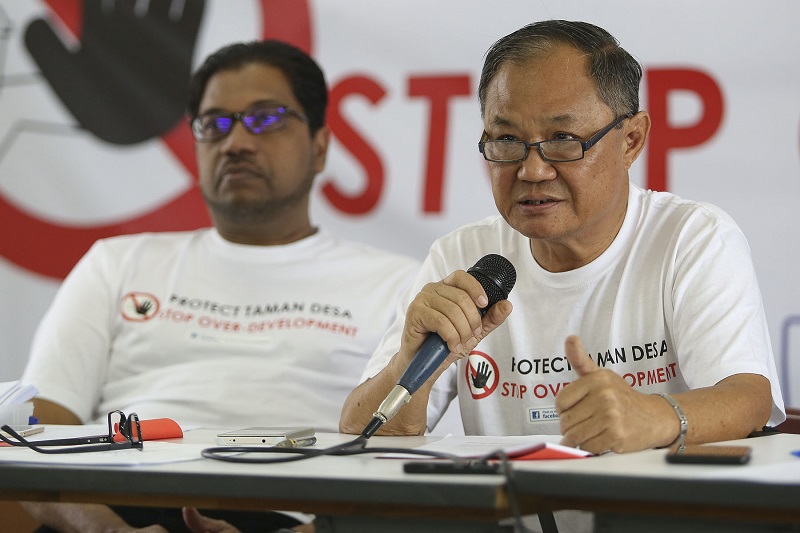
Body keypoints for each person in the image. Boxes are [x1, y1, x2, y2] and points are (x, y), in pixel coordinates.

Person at [340, 16, 785, 517]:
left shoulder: (690, 237)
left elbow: (747, 396)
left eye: (563, 139)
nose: (532, 170)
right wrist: (410, 363)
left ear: (632, 139)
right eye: (506, 141)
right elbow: (365, 436)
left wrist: (656, 417)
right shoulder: (462, 256)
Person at [19, 40, 419, 533]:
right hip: (113, 508)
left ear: (320, 147)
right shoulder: (117, 262)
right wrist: (106, 530)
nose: (236, 142)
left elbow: (409, 457)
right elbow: (32, 440)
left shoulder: (397, 284)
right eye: (215, 124)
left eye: (265, 119)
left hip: (288, 519)